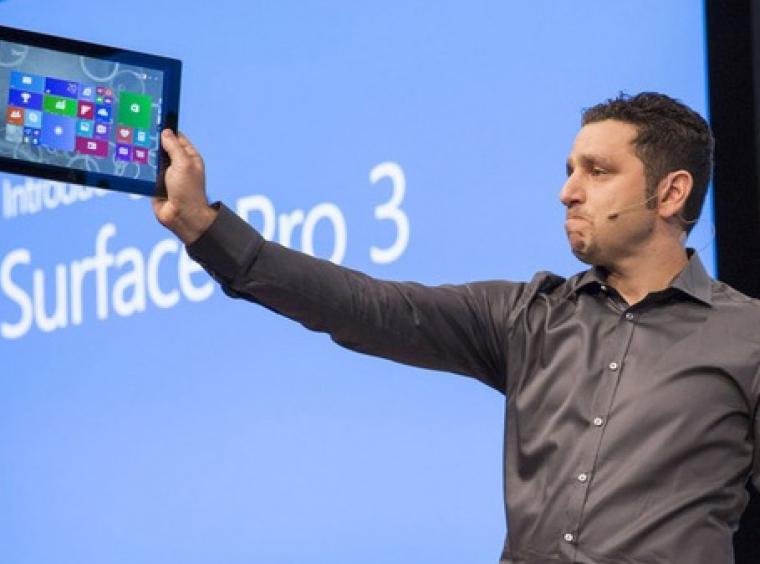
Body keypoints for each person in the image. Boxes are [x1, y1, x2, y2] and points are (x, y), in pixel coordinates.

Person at [151, 92, 760, 564]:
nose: (567, 192)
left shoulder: (747, 337)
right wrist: (206, 228)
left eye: (597, 172)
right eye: (570, 170)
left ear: (670, 193)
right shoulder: (530, 317)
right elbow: (363, 307)